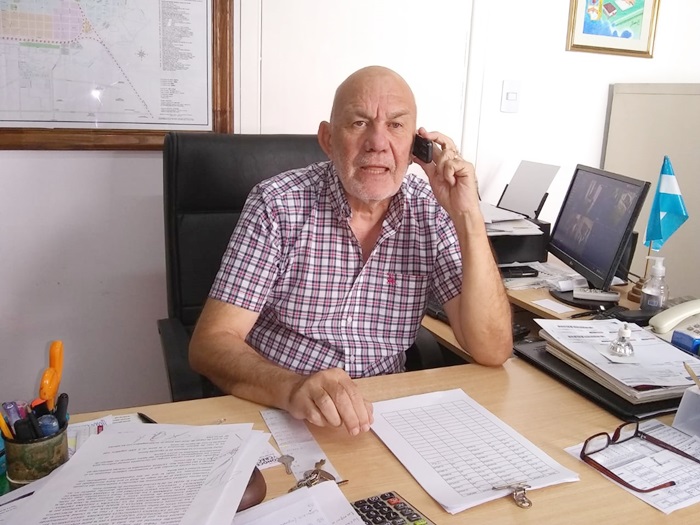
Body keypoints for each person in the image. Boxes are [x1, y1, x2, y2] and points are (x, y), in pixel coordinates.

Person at [189, 66, 512, 436]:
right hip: (281, 409)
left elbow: (492, 350)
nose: (377, 142)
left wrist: (468, 215)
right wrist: (292, 388)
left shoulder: (432, 212)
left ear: (416, 148)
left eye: (395, 125)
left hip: (382, 415)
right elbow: (210, 343)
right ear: (328, 139)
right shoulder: (277, 205)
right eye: (359, 123)